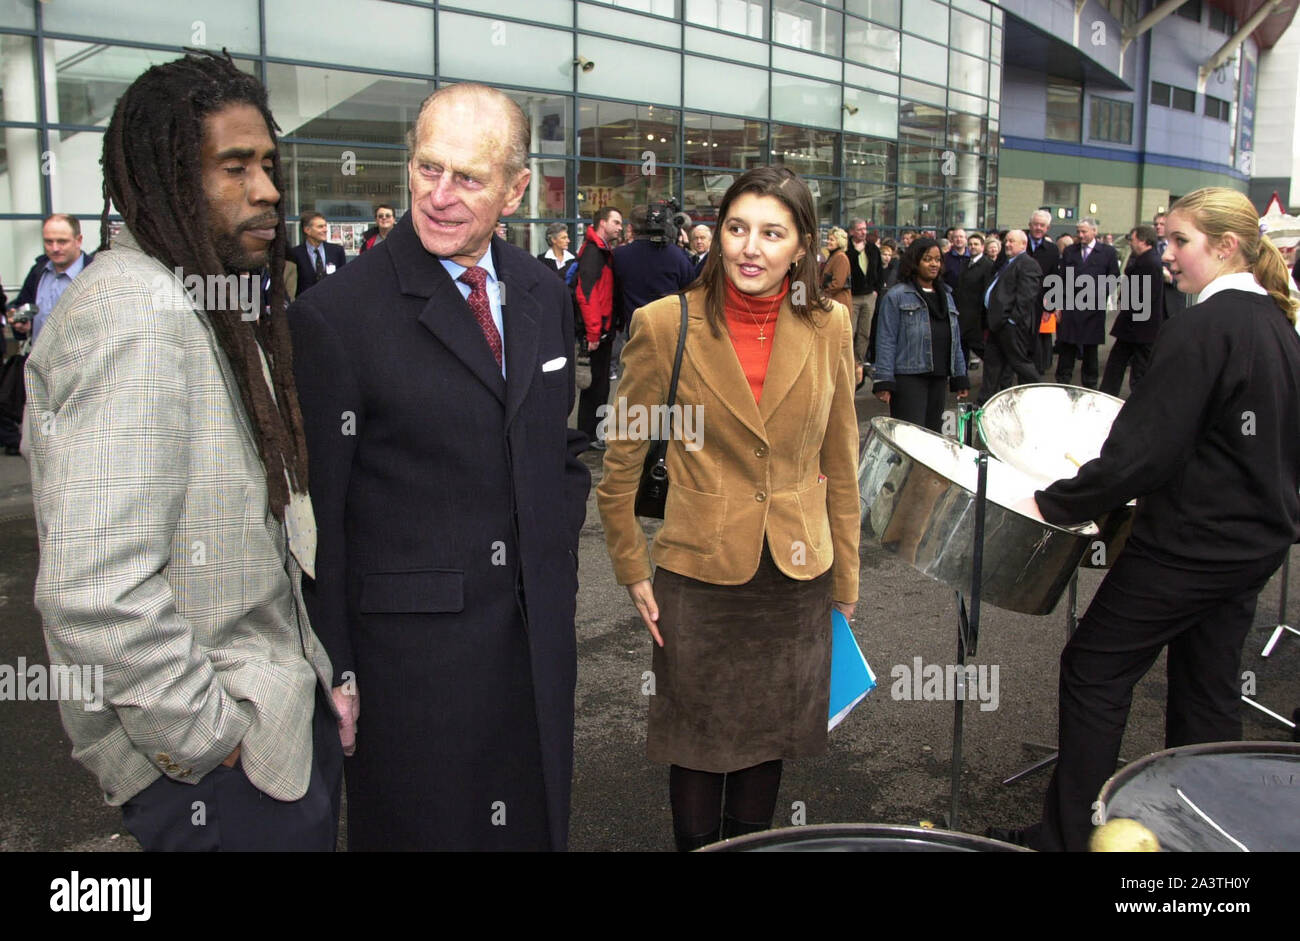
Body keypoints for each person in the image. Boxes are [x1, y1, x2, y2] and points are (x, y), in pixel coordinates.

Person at [25, 51, 341, 852]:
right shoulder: (138, 313)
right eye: (233, 167)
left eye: (267, 164)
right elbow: (94, 589)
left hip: (268, 746)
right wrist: (211, 740)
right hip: (218, 779)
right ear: (163, 178)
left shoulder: (196, 295)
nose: (267, 189)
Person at [288, 82, 590, 852]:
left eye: (469, 178)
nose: (440, 196)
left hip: (537, 654)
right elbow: (318, 511)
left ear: (517, 189)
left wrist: (551, 567)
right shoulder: (336, 316)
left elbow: (558, 453)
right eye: (428, 169)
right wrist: (338, 668)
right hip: (413, 679)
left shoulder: (537, 293)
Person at [1002, 187, 1300, 853]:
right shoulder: (1277, 325)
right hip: (1251, 543)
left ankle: (1070, 837)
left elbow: (1144, 450)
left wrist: (1053, 504)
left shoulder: (1204, 326)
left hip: (1193, 545)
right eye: (1165, 241)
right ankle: (1201, 834)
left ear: (1225, 248)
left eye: (1179, 243)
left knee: (1094, 667)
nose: (1166, 256)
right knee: (1207, 690)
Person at [596, 166, 859, 851]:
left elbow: (842, 461)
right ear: (715, 234)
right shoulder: (664, 323)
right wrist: (631, 566)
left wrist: (849, 580)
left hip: (796, 571)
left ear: (801, 246)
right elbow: (620, 458)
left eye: (772, 233)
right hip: (698, 571)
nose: (750, 247)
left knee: (767, 740)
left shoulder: (830, 325)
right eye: (737, 227)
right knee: (698, 740)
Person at [872, 237, 971, 431]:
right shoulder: (896, 296)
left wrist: (960, 376)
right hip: (908, 378)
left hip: (939, 377)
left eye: (937, 259)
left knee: (933, 436)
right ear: (915, 262)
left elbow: (955, 340)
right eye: (927, 259)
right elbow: (886, 339)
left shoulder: (947, 295)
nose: (934, 264)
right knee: (911, 436)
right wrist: (884, 380)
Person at [574, 206, 623, 448]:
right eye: (616, 222)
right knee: (595, 386)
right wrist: (593, 331)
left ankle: (591, 434)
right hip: (597, 332)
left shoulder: (600, 251)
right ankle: (589, 436)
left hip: (601, 330)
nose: (620, 227)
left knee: (599, 385)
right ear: (602, 223)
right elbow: (586, 294)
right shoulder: (594, 253)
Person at [974, 229, 1042, 404]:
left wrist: (1011, 321)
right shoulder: (1008, 262)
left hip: (1010, 326)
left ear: (1023, 244)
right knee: (992, 366)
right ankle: (985, 402)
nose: (1007, 244)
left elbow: (1026, 297)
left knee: (1020, 364)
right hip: (997, 325)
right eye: (1007, 241)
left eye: (1012, 241)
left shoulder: (1027, 264)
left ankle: (1039, 396)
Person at [611, 204, 697, 334]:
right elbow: (691, 293)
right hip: (671, 331)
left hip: (635, 331)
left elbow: (615, 294)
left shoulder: (619, 255)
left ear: (631, 227)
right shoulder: (677, 256)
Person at [11, 214, 94, 346]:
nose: (55, 248)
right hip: (38, 362)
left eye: (62, 242)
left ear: (78, 240)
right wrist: (21, 324)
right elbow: (21, 305)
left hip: (81, 362)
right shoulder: (38, 271)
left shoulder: (95, 273)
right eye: (49, 242)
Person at [1055, 218, 1118, 389]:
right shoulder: (1070, 251)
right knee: (1067, 346)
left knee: (1090, 349)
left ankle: (1090, 385)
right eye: (1078, 232)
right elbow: (1061, 279)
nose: (1080, 235)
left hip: (1093, 308)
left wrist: (1098, 293)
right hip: (1070, 306)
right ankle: (1062, 383)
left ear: (1094, 232)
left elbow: (1113, 278)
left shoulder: (1107, 252)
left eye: (1084, 232)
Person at [844, 218, 883, 376]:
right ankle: (846, 361)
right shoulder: (846, 250)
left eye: (865, 229)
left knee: (864, 332)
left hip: (869, 296)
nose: (863, 232)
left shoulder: (873, 249)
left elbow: (879, 271)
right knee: (850, 330)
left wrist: (876, 290)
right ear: (852, 231)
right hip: (853, 296)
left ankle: (858, 362)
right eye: (859, 229)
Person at [1026, 210, 1061, 373]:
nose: (1038, 228)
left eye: (1042, 225)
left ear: (1047, 228)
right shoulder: (1019, 244)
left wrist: (1050, 307)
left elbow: (1055, 279)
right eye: (1035, 224)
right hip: (1019, 302)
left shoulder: (1052, 250)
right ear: (1029, 225)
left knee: (1039, 344)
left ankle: (1036, 376)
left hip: (1041, 304)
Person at [954, 232, 993, 368]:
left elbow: (988, 291)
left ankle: (997, 375)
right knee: (962, 348)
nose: (972, 247)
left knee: (980, 348)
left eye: (976, 244)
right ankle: (961, 381)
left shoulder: (987, 265)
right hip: (962, 313)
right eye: (970, 244)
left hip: (977, 316)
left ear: (983, 247)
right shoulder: (965, 263)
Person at [290, 210, 346, 294]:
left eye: (325, 226)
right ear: (307, 230)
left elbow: (343, 279)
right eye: (320, 227)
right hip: (305, 303)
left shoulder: (337, 251)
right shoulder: (294, 254)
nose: (325, 230)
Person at [941, 227, 970, 294]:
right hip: (950, 296)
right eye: (956, 237)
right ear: (952, 240)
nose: (958, 239)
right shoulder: (945, 258)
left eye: (961, 237)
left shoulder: (972, 257)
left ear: (966, 239)